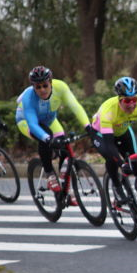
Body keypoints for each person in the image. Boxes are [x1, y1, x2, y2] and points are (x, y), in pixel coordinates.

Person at [16, 65, 92, 195]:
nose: (42, 90)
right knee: (46, 139)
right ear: (33, 87)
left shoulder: (61, 87)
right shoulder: (28, 97)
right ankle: (49, 173)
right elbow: (33, 124)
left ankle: (64, 188)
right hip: (27, 122)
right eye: (38, 87)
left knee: (64, 147)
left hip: (50, 120)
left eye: (45, 85)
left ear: (51, 82)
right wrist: (48, 139)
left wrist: (88, 126)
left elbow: (75, 107)